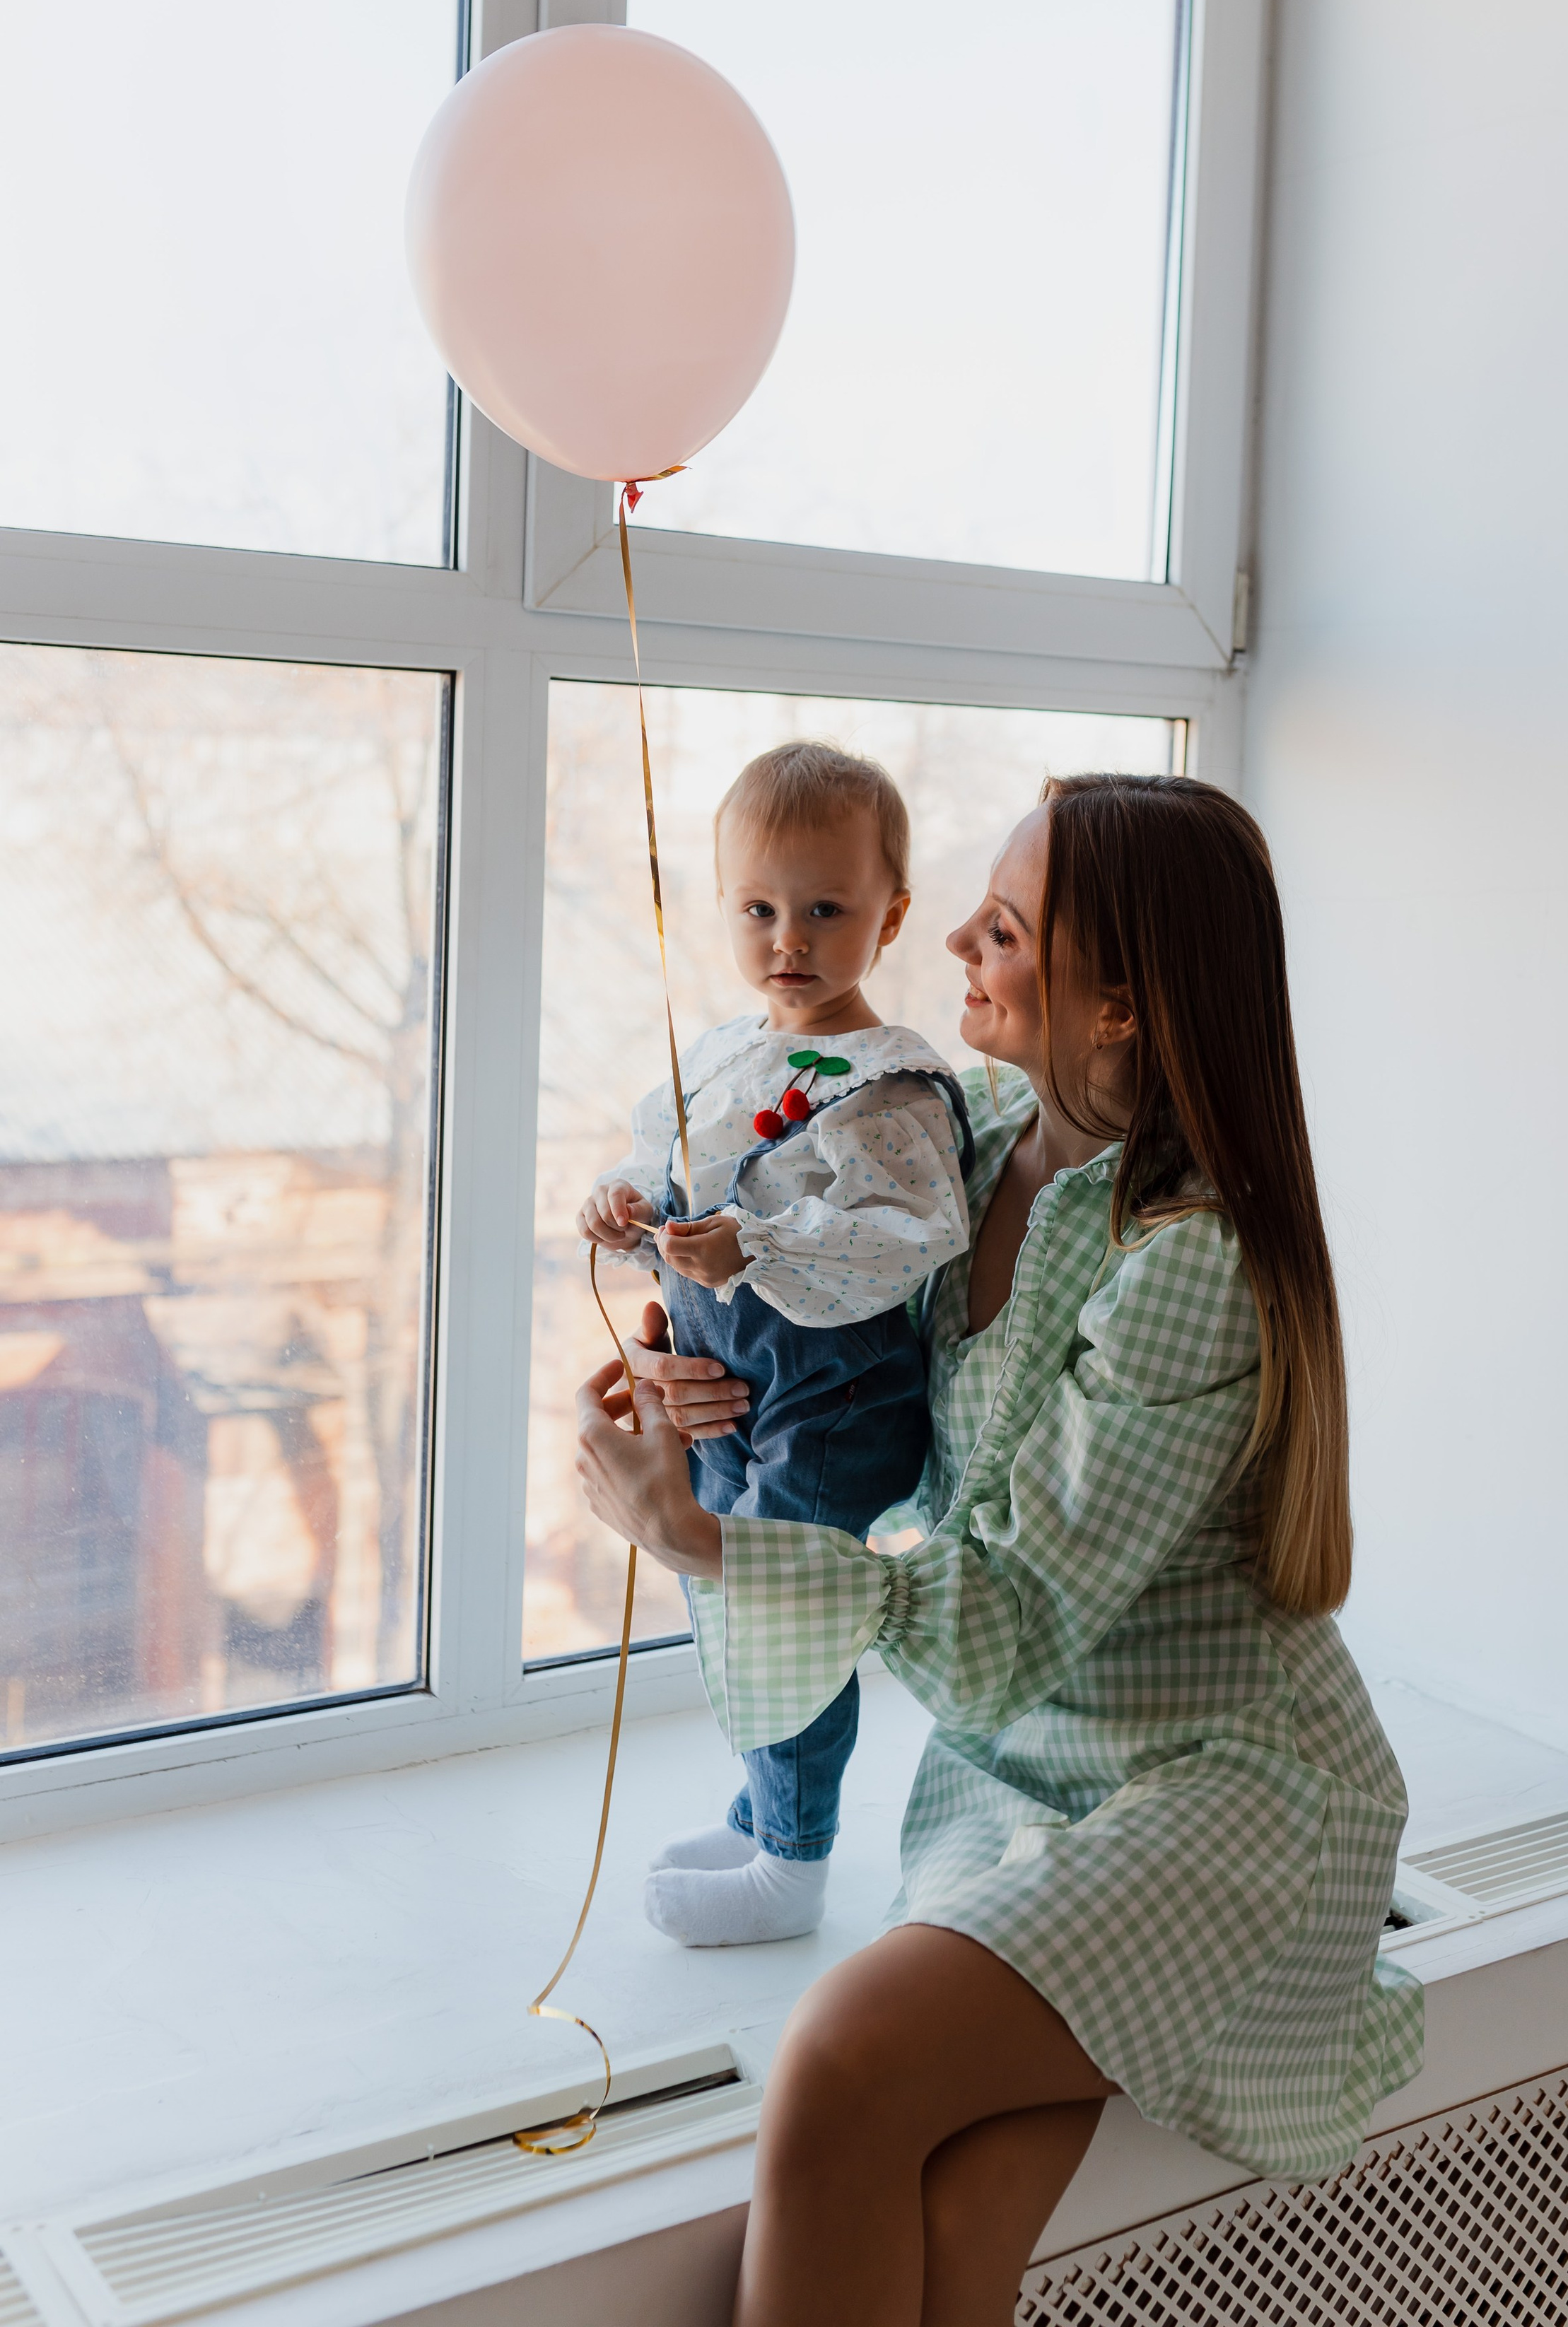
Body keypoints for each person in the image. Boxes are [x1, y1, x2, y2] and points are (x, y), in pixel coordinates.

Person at [575, 773, 1422, 2327]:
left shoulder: (1188, 1263)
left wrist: (703, 1543)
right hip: (1009, 1769)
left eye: (1010, 924)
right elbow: (824, 1339)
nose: (954, 931)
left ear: (1115, 1005)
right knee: (954, 2231)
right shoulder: (953, 1136)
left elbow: (1012, 1618)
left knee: (835, 2061)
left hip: (1211, 1787)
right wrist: (696, 1362)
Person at [578, 739, 970, 1947]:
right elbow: (675, 1164)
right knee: (725, 1603)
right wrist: (627, 1205)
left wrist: (759, 1246)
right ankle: (760, 1812)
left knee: (782, 1615)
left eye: (825, 909)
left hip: (830, 1396)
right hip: (729, 1387)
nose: (788, 938)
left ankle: (796, 1860)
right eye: (759, 909)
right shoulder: (726, 1057)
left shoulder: (886, 1081)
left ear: (890, 916)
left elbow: (914, 1233)